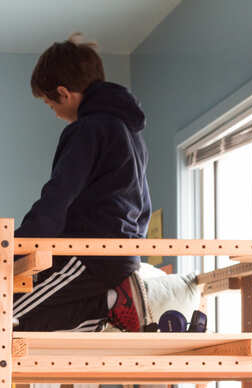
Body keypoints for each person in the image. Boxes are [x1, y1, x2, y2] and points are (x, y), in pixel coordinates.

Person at [13, 33, 151, 333]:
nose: (56, 113)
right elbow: (141, 203)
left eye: (51, 105)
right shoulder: (129, 132)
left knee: (6, 317)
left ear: (64, 93)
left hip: (90, 254)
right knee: (22, 316)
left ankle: (111, 302)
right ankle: (110, 309)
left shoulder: (87, 130)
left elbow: (57, 198)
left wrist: (16, 247)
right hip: (120, 254)